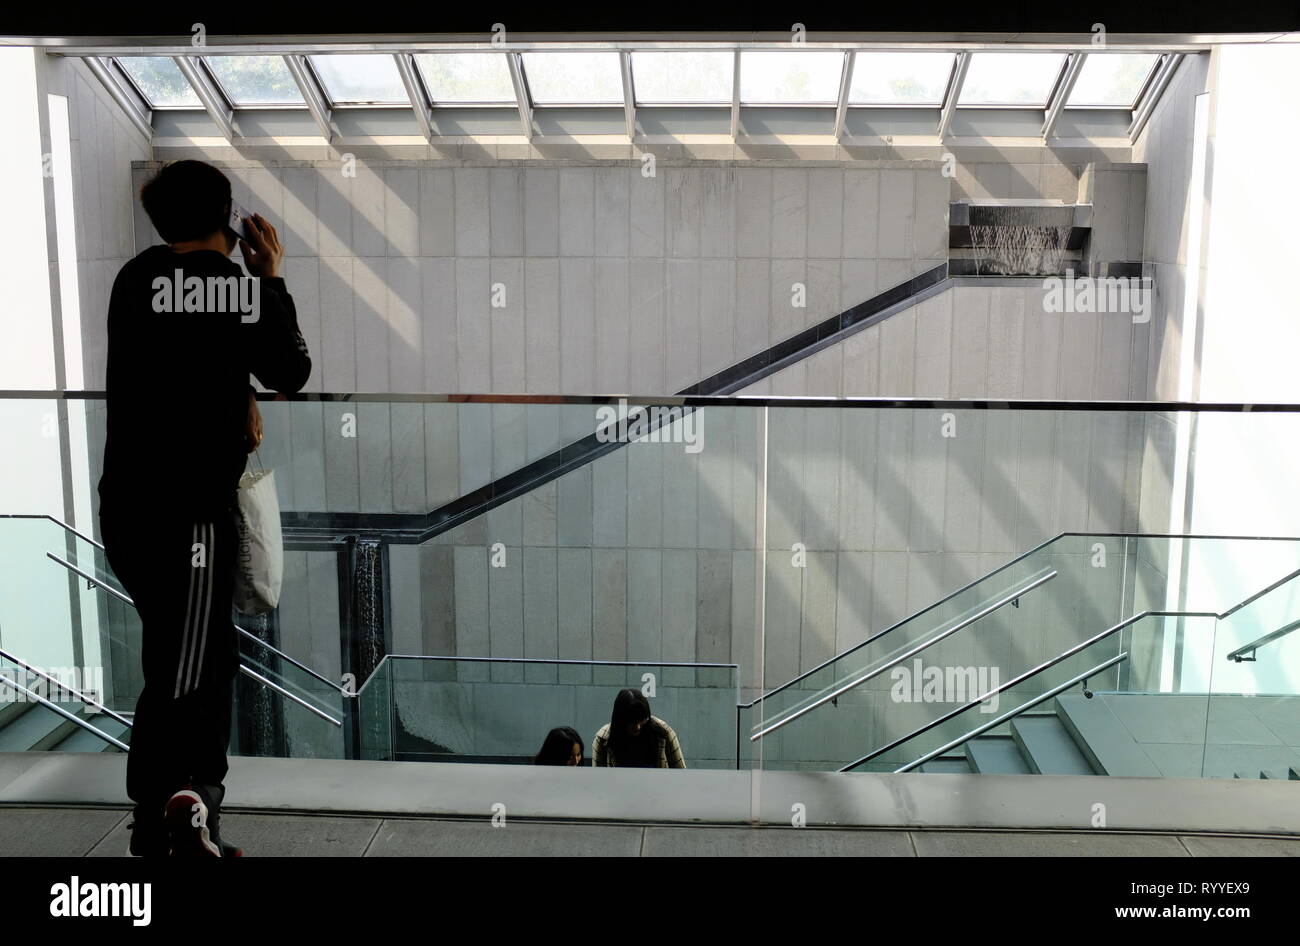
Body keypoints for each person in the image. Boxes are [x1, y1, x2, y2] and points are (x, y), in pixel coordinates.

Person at [98, 160, 312, 857]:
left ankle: (185, 814)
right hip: (190, 515)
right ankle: (176, 812)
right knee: (188, 669)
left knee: (192, 657)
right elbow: (291, 371)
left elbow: (173, 367)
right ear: (229, 218)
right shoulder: (237, 290)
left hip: (128, 504)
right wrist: (269, 276)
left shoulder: (133, 281)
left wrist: (234, 394)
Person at [591, 689, 685, 768]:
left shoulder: (664, 733)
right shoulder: (602, 739)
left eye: (642, 720)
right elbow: (598, 780)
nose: (637, 727)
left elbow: (681, 774)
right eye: (632, 722)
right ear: (620, 719)